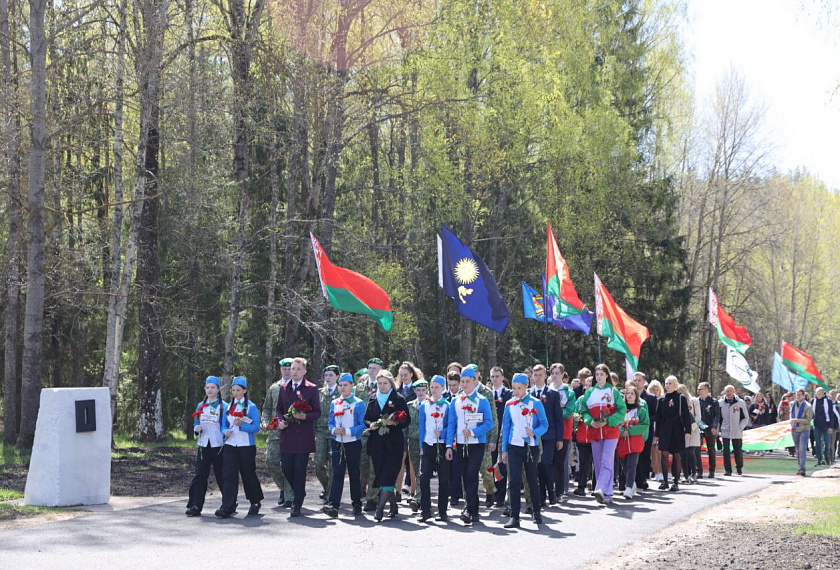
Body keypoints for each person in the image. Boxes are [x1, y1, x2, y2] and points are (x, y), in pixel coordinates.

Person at [501, 373, 549, 529]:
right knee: (514, 480)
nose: (516, 391)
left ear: (526, 386)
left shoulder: (536, 403)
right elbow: (506, 427)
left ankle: (536, 512)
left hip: (530, 447)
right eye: (514, 388)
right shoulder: (509, 404)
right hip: (514, 446)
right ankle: (514, 516)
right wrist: (504, 450)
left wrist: (534, 432)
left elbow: (544, 424)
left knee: (531, 479)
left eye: (519, 388)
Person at [447, 366, 494, 524]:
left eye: (468, 381)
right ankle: (474, 511)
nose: (465, 384)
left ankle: (468, 508)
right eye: (463, 381)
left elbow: (489, 423)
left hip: (476, 444)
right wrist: (449, 445)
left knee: (471, 475)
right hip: (461, 444)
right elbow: (452, 424)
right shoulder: (455, 401)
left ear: (475, 382)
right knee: (465, 476)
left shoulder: (482, 400)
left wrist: (473, 432)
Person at [276, 357, 321, 517]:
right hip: (287, 434)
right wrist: (280, 421)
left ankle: (297, 504)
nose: (294, 371)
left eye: (298, 369)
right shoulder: (284, 387)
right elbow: (279, 409)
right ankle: (299, 491)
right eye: (292, 368)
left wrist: (305, 416)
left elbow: (317, 412)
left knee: (299, 470)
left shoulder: (311, 388)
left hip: (303, 435)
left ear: (304, 371)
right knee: (286, 468)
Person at [364, 370, 411, 522]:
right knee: (382, 475)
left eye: (385, 383)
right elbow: (366, 418)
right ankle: (393, 505)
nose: (382, 386)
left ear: (391, 384)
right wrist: (371, 425)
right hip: (377, 444)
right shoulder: (372, 398)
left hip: (393, 444)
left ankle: (379, 510)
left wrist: (395, 422)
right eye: (380, 383)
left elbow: (407, 420)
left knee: (388, 475)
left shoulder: (398, 399)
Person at [216, 376, 264, 518]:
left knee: (248, 474)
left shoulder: (251, 407)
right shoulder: (228, 407)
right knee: (228, 475)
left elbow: (256, 427)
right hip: (230, 445)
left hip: (246, 446)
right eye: (233, 390)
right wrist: (225, 431)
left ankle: (255, 501)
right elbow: (223, 425)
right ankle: (228, 505)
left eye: (238, 390)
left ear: (244, 390)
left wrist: (242, 425)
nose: (235, 393)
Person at [581, 364, 626, 505]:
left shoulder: (613, 391)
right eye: (597, 374)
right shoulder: (590, 392)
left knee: (607, 461)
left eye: (602, 374)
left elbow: (622, 410)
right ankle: (607, 493)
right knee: (599, 463)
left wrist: (609, 421)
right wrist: (590, 421)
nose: (599, 376)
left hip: (611, 432)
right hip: (595, 432)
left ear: (607, 375)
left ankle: (599, 488)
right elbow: (584, 411)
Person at [324, 372, 366, 518]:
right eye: (340, 385)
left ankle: (357, 503)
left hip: (353, 442)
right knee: (337, 473)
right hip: (337, 442)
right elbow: (330, 421)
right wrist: (333, 430)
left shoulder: (358, 403)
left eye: (345, 385)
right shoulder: (335, 402)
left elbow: (362, 425)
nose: (342, 388)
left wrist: (347, 431)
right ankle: (333, 504)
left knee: (354, 473)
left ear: (352, 386)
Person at [186, 376, 226, 516]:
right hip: (203, 444)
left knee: (221, 475)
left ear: (218, 389)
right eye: (208, 387)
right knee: (200, 474)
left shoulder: (224, 406)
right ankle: (195, 505)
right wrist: (196, 428)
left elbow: (225, 424)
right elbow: (196, 422)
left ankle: (228, 504)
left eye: (213, 387)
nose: (210, 390)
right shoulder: (200, 405)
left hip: (218, 445)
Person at [417, 375, 453, 522]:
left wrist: (443, 434)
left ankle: (442, 511)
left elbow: (451, 426)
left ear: (443, 388)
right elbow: (421, 427)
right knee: (424, 477)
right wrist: (421, 446)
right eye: (431, 387)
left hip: (442, 445)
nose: (433, 389)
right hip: (428, 444)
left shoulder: (447, 406)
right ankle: (425, 510)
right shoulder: (424, 405)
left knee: (443, 479)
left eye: (437, 387)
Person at [530, 364, 563, 506]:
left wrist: (560, 438)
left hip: (549, 435)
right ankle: (541, 495)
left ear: (545, 376)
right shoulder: (528, 394)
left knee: (546, 463)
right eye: (535, 375)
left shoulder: (553, 394)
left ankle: (552, 492)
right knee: (536, 466)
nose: (538, 378)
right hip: (533, 435)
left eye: (540, 375)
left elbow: (558, 417)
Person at [263, 358, 294, 507]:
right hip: (275, 431)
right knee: (271, 462)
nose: (287, 371)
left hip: (292, 431)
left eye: (289, 369)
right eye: (284, 369)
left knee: (288, 465)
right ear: (280, 369)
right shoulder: (274, 387)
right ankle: (283, 488)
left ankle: (289, 496)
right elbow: (267, 408)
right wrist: (265, 422)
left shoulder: (297, 387)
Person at [655, 375, 693, 492]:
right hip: (665, 430)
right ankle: (665, 481)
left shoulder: (681, 398)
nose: (668, 385)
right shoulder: (661, 400)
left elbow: (686, 416)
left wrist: (688, 430)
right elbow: (658, 418)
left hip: (677, 430)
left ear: (675, 385)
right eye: (666, 383)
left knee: (677, 455)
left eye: (670, 383)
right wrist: (657, 434)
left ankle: (675, 482)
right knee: (664, 454)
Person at [617, 385, 649, 500]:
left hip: (635, 442)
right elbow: (616, 423)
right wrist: (622, 432)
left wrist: (630, 431)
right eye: (628, 393)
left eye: (632, 393)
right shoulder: (620, 410)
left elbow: (645, 424)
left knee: (631, 465)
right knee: (624, 465)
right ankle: (632, 483)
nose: (629, 395)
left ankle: (629, 488)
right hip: (622, 442)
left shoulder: (641, 410)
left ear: (636, 396)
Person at [315, 365, 341, 503]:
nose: (328, 378)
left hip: (335, 433)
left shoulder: (341, 392)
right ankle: (326, 487)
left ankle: (330, 495)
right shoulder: (319, 393)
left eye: (331, 375)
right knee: (318, 463)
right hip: (320, 432)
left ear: (337, 376)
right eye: (326, 375)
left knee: (333, 466)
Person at [551, 363, 576, 499]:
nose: (554, 375)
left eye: (557, 373)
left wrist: (554, 411)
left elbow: (568, 413)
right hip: (548, 431)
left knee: (559, 462)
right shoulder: (547, 390)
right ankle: (549, 489)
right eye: (552, 373)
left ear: (562, 374)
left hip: (564, 431)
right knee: (547, 462)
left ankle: (559, 491)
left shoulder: (569, 392)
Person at [489, 366, 513, 505]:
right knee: (490, 465)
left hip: (503, 434)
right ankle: (491, 494)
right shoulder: (487, 394)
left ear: (503, 378)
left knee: (502, 466)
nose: (495, 379)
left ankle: (500, 495)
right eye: (492, 376)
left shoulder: (509, 394)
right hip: (490, 435)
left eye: (497, 376)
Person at [405, 378, 428, 512]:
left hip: (427, 442)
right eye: (418, 390)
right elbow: (406, 425)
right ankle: (421, 496)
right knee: (415, 468)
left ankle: (418, 498)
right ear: (414, 390)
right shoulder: (410, 406)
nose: (420, 392)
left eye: (423, 390)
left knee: (422, 470)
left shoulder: (431, 404)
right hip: (413, 441)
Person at [718, 384, 749, 476]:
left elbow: (745, 417)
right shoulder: (720, 403)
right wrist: (719, 429)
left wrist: (740, 427)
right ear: (724, 392)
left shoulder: (740, 402)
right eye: (727, 391)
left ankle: (739, 468)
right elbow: (718, 417)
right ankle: (728, 470)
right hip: (725, 429)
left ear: (734, 392)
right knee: (726, 450)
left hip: (736, 430)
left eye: (731, 391)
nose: (729, 393)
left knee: (737, 450)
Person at [633, 372, 656, 490]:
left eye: (639, 380)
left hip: (646, 430)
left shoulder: (651, 398)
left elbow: (655, 415)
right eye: (635, 380)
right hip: (632, 430)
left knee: (645, 454)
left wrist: (643, 421)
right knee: (634, 455)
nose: (637, 382)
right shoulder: (629, 395)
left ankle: (643, 478)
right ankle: (636, 479)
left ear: (644, 382)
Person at [677, 384, 701, 484]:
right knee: (683, 454)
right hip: (681, 430)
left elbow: (698, 417)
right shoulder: (677, 402)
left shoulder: (694, 401)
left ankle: (694, 473)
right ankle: (686, 475)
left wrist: (690, 428)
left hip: (693, 430)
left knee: (690, 452)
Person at [697, 382, 721, 478]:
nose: (698, 391)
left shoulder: (714, 402)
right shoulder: (697, 401)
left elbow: (717, 415)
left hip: (710, 428)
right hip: (699, 427)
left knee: (710, 449)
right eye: (698, 389)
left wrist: (714, 427)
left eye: (700, 389)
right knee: (697, 449)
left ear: (706, 390)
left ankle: (712, 470)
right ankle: (699, 471)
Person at [790, 389, 814, 476]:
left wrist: (797, 420)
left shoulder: (808, 406)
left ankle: (802, 468)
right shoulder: (792, 404)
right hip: (794, 430)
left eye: (800, 394)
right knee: (797, 450)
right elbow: (791, 415)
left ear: (804, 396)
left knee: (802, 449)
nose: (798, 396)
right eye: (797, 394)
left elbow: (808, 420)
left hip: (804, 430)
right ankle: (799, 467)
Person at [812, 387, 838, 466]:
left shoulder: (828, 401)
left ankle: (826, 457)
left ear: (823, 393)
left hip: (826, 425)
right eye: (817, 393)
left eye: (820, 393)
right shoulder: (813, 401)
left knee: (827, 443)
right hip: (816, 425)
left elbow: (831, 415)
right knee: (818, 443)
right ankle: (819, 460)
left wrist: (831, 427)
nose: (819, 395)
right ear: (815, 393)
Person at [647, 380, 664, 482]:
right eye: (653, 389)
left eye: (656, 389)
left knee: (658, 451)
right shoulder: (649, 400)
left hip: (659, 428)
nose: (655, 391)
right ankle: (656, 471)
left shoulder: (662, 399)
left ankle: (660, 472)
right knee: (652, 451)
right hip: (651, 427)